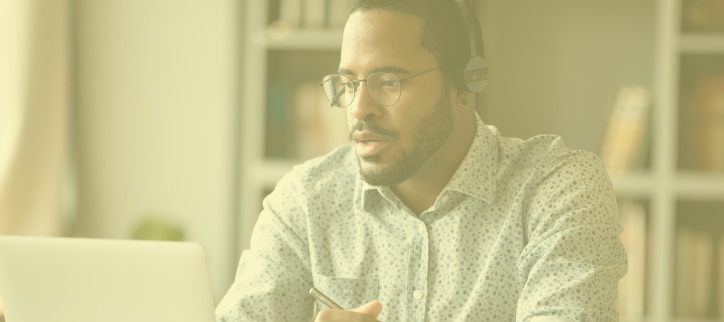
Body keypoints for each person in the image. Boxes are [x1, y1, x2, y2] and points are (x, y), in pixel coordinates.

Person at [216, 0, 627, 321]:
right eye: (348, 84)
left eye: (388, 82)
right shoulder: (305, 201)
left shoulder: (557, 188)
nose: (360, 108)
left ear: (466, 82)